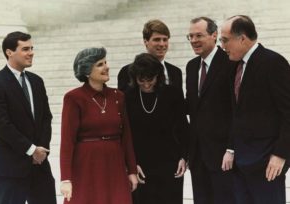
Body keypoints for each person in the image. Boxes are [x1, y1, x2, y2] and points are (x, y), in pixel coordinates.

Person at [220, 15, 290, 204]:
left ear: (242, 38)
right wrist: (231, 148)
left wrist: (280, 154)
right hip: (241, 163)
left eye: (225, 40)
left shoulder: (273, 63)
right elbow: (238, 113)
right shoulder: (235, 66)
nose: (222, 45)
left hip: (267, 163)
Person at [60, 47, 138, 204]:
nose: (107, 67)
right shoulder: (74, 98)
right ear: (87, 71)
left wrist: (132, 170)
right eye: (100, 64)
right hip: (86, 164)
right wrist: (66, 178)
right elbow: (67, 140)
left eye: (106, 62)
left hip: (115, 162)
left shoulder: (118, 96)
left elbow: (126, 137)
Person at [0, 31, 56, 204]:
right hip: (10, 167)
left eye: (32, 48)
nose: (31, 52)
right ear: (9, 52)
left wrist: (41, 149)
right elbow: (2, 124)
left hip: (39, 165)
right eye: (25, 49)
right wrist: (31, 150)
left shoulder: (37, 81)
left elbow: (46, 119)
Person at [125, 53, 188, 204]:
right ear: (135, 78)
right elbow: (126, 134)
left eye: (150, 79)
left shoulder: (173, 93)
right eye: (142, 80)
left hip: (170, 162)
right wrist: (132, 164)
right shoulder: (128, 97)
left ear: (158, 76)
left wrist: (184, 156)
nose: (146, 84)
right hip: (142, 164)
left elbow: (183, 127)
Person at [185, 17, 236, 204]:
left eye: (199, 35)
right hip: (198, 156)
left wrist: (231, 148)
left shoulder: (230, 62)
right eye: (190, 36)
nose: (193, 40)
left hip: (223, 155)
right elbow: (192, 106)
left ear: (214, 35)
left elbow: (235, 110)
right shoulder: (191, 67)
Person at [117, 19, 182, 92]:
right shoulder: (127, 72)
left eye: (165, 39)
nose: (162, 44)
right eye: (157, 40)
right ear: (145, 42)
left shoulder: (176, 72)